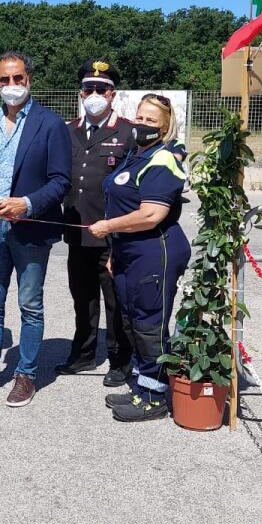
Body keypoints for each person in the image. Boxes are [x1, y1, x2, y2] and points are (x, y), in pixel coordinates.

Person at [0, 51, 71, 408]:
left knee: (30, 304)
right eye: (4, 80)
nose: (11, 86)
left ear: (29, 80)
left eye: (17, 79)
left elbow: (60, 181)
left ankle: (26, 374)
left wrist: (27, 203)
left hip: (30, 228)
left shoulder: (50, 124)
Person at [90, 93, 191, 422]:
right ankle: (141, 385)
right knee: (132, 321)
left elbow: (151, 215)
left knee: (150, 324)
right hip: (127, 252)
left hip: (154, 251)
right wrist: (115, 249)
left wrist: (108, 226)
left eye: (151, 120)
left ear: (164, 127)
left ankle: (154, 397)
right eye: (140, 117)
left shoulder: (163, 159)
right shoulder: (136, 154)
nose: (142, 124)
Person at [51, 59, 134, 386]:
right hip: (77, 232)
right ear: (81, 93)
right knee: (82, 298)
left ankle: (119, 359)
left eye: (102, 89)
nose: (94, 94)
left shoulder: (128, 132)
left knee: (115, 303)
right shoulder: (68, 131)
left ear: (113, 94)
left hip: (113, 235)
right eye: (89, 89)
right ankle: (83, 354)